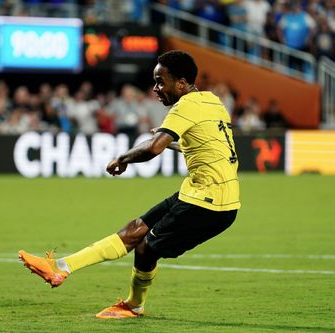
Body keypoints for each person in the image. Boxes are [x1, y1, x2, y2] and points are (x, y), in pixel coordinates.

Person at [18, 50, 241, 319]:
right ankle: (61, 267)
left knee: (146, 247)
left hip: (210, 203)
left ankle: (134, 305)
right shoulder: (212, 101)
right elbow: (209, 146)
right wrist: (174, 144)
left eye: (161, 81)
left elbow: (153, 149)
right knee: (135, 230)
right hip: (201, 192)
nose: (156, 88)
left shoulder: (185, 106)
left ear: (181, 83)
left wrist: (122, 158)